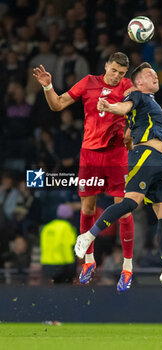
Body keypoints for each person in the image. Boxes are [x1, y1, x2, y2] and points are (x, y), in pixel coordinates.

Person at [75, 62, 162, 292]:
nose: (155, 76)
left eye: (156, 74)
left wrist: (128, 133)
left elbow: (130, 124)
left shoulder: (150, 103)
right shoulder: (139, 95)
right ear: (139, 82)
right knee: (130, 203)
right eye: (150, 75)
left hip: (161, 163)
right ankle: (88, 236)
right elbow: (124, 107)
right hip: (146, 155)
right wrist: (109, 107)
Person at [33, 52, 135, 289]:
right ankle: (88, 261)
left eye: (121, 73)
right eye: (114, 71)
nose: (116, 77)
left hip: (116, 153)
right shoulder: (88, 82)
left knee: (123, 208)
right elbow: (57, 104)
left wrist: (128, 129)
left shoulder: (128, 86)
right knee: (88, 207)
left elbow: (132, 108)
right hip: (89, 154)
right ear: (106, 67)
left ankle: (128, 266)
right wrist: (48, 86)